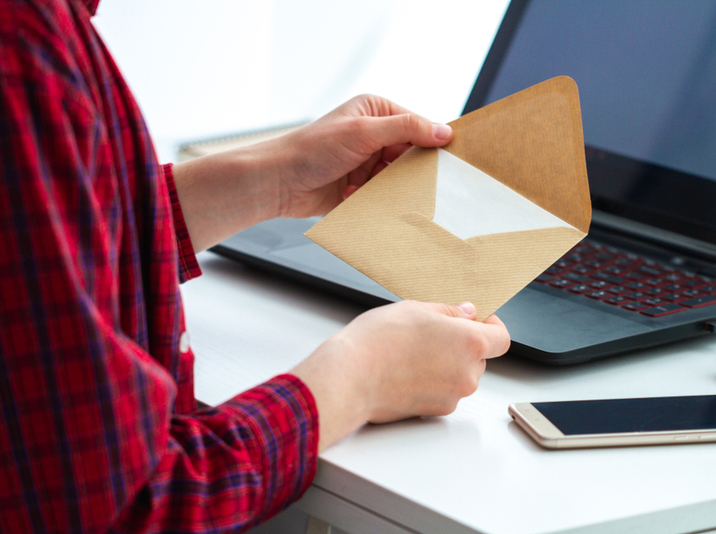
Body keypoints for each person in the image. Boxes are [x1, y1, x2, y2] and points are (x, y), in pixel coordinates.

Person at [0, 0, 511, 532]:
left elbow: (34, 233)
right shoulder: (21, 43)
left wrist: (275, 179)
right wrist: (362, 377)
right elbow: (128, 508)